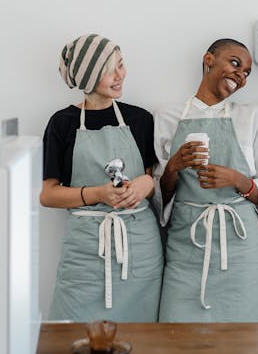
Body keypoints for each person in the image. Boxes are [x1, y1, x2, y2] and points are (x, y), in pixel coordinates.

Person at [154, 38, 258, 322]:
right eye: (235, 64)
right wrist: (174, 166)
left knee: (246, 340)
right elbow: (160, 196)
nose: (240, 75)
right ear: (208, 60)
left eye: (247, 72)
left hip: (241, 249)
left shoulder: (254, 117)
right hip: (187, 245)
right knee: (177, 338)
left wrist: (239, 180)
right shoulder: (168, 116)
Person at [40, 34, 163, 322]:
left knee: (141, 337)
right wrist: (97, 194)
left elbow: (155, 177)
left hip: (139, 249)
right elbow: (48, 194)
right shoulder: (62, 123)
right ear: (88, 77)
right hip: (85, 251)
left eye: (121, 65)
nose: (121, 75)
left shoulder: (141, 119)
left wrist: (147, 185)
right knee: (72, 335)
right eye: (111, 70)